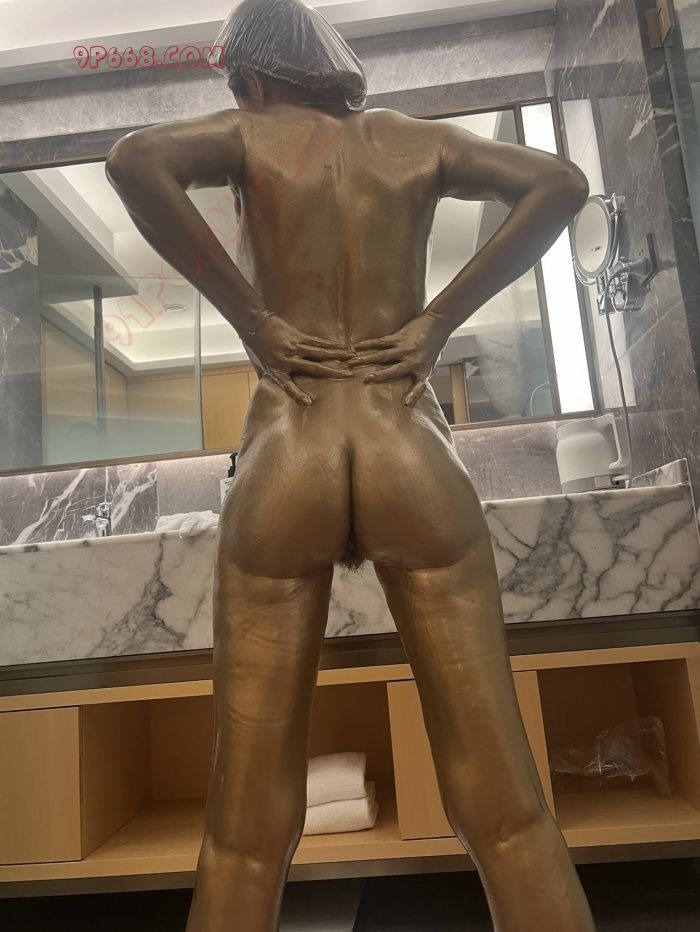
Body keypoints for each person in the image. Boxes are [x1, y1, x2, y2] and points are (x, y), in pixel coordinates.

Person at [105, 1, 594, 928]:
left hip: (288, 449)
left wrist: (253, 320)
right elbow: (561, 182)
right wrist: (436, 322)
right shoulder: (412, 140)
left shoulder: (250, 133)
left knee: (244, 832)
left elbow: (133, 160)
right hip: (409, 444)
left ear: (251, 78)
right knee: (509, 810)